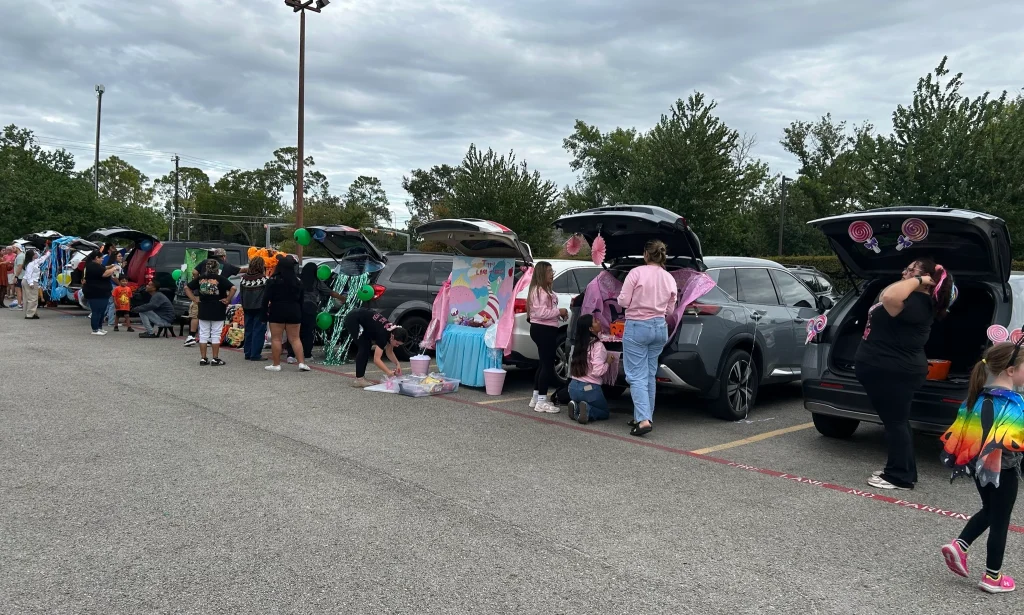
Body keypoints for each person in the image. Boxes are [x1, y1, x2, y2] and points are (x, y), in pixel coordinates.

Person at [856, 258, 953, 490]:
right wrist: (917, 278)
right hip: (887, 369)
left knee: (895, 423)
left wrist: (920, 279)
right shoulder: (912, 298)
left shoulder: (920, 302)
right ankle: (905, 470)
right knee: (896, 421)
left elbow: (889, 297)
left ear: (927, 280)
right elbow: (887, 294)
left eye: (911, 270)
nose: (904, 272)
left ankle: (899, 476)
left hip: (894, 372)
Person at [939, 341, 1024, 593]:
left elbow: (961, 435)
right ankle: (993, 577)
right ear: (1011, 371)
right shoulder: (1014, 403)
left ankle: (960, 545)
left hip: (978, 467)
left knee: (990, 509)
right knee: (1000, 521)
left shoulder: (976, 397)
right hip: (1003, 471)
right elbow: (1017, 440)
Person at [618, 239, 677, 437]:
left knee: (636, 375)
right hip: (660, 327)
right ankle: (644, 416)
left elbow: (623, 301)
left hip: (637, 326)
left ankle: (643, 420)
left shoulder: (636, 273)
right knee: (650, 374)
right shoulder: (669, 277)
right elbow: (671, 309)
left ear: (645, 254)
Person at [527, 261, 566, 413]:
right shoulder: (539, 292)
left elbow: (547, 311)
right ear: (542, 273)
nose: (552, 274)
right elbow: (541, 313)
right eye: (549, 271)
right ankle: (542, 401)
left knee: (543, 363)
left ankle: (536, 397)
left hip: (545, 328)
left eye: (552, 271)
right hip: (543, 330)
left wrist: (558, 314)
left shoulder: (544, 291)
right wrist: (559, 312)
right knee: (548, 365)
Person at [289, 262, 346, 361]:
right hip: (310, 307)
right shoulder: (316, 281)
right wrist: (342, 298)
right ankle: (307, 355)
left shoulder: (297, 279)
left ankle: (291, 355)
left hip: (297, 306)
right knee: (308, 332)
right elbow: (329, 292)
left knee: (295, 332)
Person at [262, 255, 310, 372]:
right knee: (295, 338)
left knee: (276, 339)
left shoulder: (273, 280)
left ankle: (276, 364)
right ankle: (301, 363)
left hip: (277, 310)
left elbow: (265, 298)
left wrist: (263, 314)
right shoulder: (298, 281)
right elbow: (301, 300)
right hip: (294, 310)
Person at [185, 259, 236, 366]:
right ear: (217, 269)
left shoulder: (201, 278)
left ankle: (203, 358)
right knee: (216, 334)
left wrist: (194, 299)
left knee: (203, 334)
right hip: (218, 308)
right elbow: (233, 288)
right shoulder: (220, 279)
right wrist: (227, 299)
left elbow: (187, 287)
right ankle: (215, 358)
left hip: (203, 307)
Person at [567, 314, 615, 424]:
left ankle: (576, 407)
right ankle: (588, 410)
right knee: (604, 412)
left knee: (584, 401)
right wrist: (608, 362)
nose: (598, 321)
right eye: (595, 321)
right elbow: (597, 371)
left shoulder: (578, 344)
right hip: (589, 389)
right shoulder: (598, 346)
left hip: (573, 386)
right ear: (590, 329)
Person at [343, 307, 407, 387]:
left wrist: (397, 364)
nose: (397, 346)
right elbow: (376, 360)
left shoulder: (392, 330)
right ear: (392, 337)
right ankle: (359, 380)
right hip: (353, 318)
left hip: (363, 317)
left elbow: (389, 351)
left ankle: (361, 378)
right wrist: (388, 372)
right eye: (397, 343)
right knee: (364, 346)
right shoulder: (383, 335)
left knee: (366, 344)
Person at [239, 256, 269, 361]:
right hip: (260, 308)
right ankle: (255, 354)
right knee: (259, 331)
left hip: (247, 307)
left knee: (248, 330)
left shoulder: (243, 278)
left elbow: (241, 294)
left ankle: (247, 352)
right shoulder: (264, 279)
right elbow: (267, 295)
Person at [82, 250, 118, 335]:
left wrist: (110, 266)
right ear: (96, 258)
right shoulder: (92, 266)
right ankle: (95, 329)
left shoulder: (98, 265)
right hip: (95, 293)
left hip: (103, 292)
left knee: (102, 311)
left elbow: (103, 268)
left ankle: (99, 327)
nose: (102, 259)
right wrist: (113, 268)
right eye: (101, 258)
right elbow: (104, 273)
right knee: (96, 311)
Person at [20, 249, 42, 320]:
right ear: (32, 256)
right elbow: (29, 274)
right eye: (35, 253)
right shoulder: (30, 264)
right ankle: (29, 314)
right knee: (32, 298)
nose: (37, 254)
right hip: (30, 281)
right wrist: (31, 283)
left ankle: (33, 313)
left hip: (27, 281)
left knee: (28, 298)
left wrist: (48, 253)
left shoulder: (34, 262)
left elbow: (42, 259)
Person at [11, 244, 26, 309]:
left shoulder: (20, 256)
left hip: (20, 276)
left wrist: (16, 276)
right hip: (21, 275)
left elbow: (20, 267)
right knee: (21, 290)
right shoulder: (21, 255)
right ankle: (22, 304)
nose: (12, 249)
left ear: (17, 248)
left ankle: (19, 304)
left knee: (18, 290)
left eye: (13, 247)